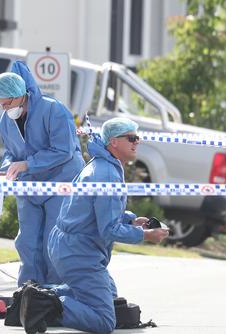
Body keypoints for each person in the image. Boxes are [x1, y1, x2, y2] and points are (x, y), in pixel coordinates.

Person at [18, 117, 169, 334]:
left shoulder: (104, 164)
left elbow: (94, 209)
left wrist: (130, 219)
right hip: (78, 252)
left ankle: (38, 294)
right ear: (114, 142)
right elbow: (108, 229)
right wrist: (145, 235)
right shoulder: (106, 174)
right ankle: (46, 304)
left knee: (111, 294)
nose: (137, 142)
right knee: (104, 320)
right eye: (132, 138)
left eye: (138, 138)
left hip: (70, 246)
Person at [0, 61, 85, 286]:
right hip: (29, 186)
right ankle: (28, 293)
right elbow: (10, 152)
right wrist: (5, 169)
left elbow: (64, 150)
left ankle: (56, 293)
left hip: (60, 183)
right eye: (0, 104)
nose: (4, 108)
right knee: (27, 241)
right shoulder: (6, 120)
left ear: (21, 95)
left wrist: (27, 164)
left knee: (54, 239)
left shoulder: (54, 110)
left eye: (6, 103)